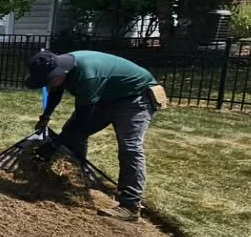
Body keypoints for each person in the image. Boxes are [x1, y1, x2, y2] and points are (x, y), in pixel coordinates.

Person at [24, 48, 167, 222]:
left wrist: (53, 145)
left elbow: (82, 121)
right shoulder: (61, 69)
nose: (47, 85)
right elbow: (55, 92)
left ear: (59, 75)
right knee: (73, 134)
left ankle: (131, 206)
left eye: (48, 81)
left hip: (135, 98)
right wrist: (46, 117)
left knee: (130, 147)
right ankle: (75, 179)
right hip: (106, 96)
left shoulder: (87, 77)